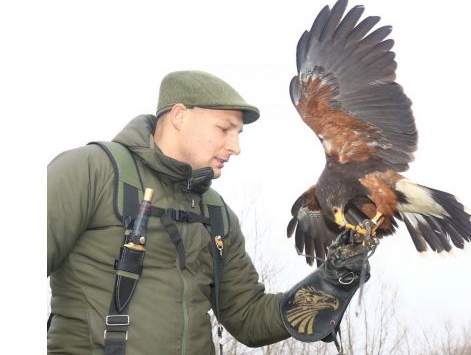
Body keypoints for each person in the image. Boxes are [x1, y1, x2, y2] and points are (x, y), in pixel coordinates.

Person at [47, 70, 368, 355]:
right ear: (179, 116)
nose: (235, 147)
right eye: (224, 128)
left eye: (238, 134)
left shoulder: (215, 213)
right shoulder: (92, 171)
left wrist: (333, 282)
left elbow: (248, 317)